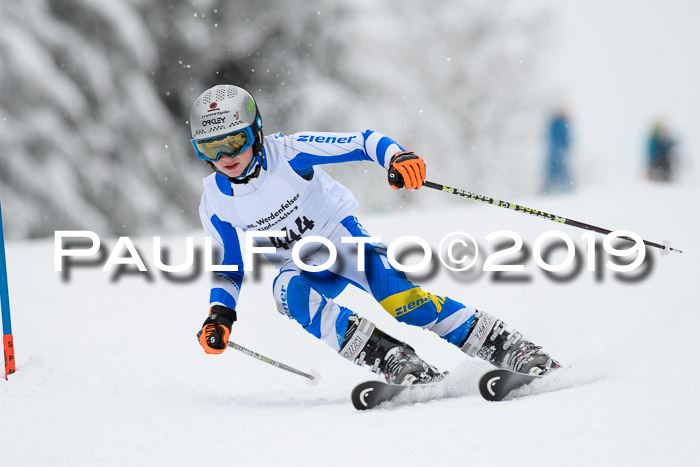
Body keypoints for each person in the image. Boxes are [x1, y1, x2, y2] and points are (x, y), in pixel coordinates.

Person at [192, 84, 559, 385]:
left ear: (255, 131)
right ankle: (391, 358)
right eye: (211, 148)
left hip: (341, 240)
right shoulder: (215, 201)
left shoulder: (288, 153)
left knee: (404, 303)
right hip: (298, 266)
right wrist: (219, 316)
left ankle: (507, 345)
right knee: (286, 294)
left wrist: (397, 158)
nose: (225, 156)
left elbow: (363, 142)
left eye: (235, 141)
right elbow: (228, 267)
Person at [543, 109, 572, 194]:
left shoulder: (563, 124)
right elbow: (555, 139)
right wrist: (559, 151)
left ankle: (564, 191)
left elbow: (566, 140)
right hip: (555, 155)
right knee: (555, 174)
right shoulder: (557, 124)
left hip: (560, 155)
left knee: (561, 174)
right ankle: (550, 191)